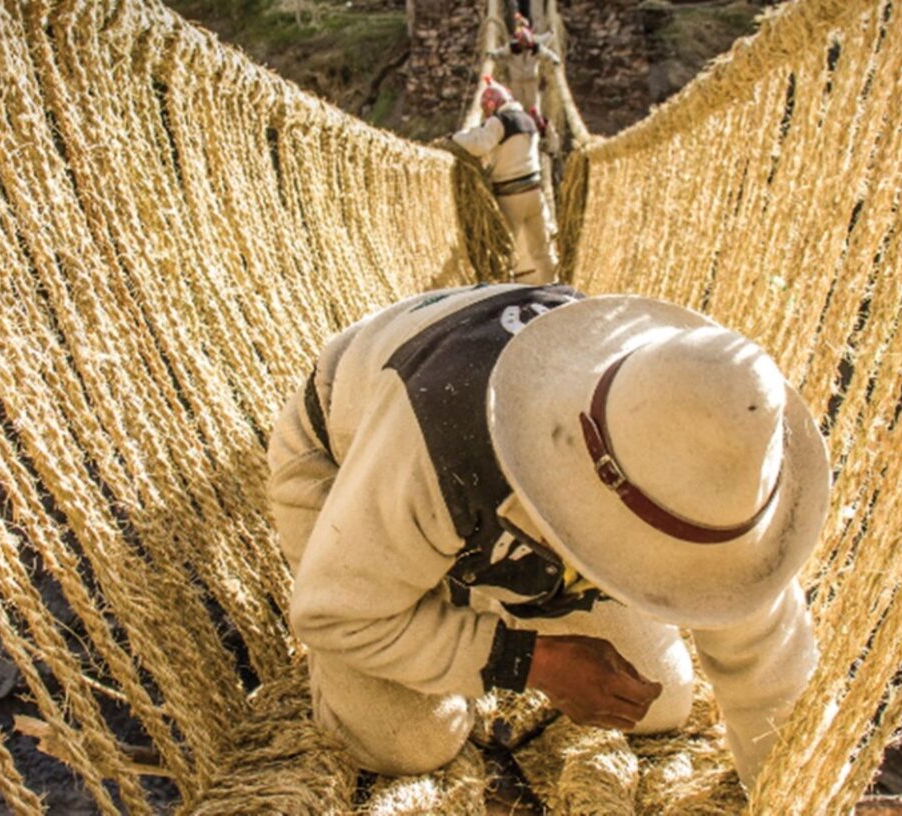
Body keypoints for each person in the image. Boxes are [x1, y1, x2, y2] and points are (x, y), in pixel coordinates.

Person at [267, 283, 831, 789]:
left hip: (469, 502)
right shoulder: (439, 434)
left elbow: (769, 673)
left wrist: (790, 797)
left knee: (657, 700)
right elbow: (335, 613)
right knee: (410, 741)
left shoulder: (722, 454)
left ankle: (481, 593)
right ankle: (451, 594)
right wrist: (532, 661)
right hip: (350, 474)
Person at [452, 78, 557, 284]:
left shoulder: (500, 121)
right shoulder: (528, 120)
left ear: (492, 104)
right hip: (535, 193)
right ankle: (553, 284)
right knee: (541, 248)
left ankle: (506, 289)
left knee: (505, 249)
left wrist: (455, 137)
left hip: (511, 196)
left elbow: (479, 145)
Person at [488, 14, 561, 112]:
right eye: (523, 43)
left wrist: (555, 59)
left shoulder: (535, 47)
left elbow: (547, 53)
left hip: (531, 79)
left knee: (533, 104)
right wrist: (492, 54)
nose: (525, 46)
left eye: (526, 44)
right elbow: (501, 52)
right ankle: (520, 118)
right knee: (517, 103)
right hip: (516, 80)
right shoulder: (512, 47)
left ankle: (533, 118)